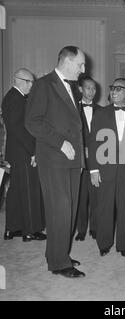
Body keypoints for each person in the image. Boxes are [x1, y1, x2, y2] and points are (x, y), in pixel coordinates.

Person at [25, 46, 86, 278]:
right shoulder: (44, 84)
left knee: (69, 210)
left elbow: (76, 126)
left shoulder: (72, 88)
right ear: (67, 62)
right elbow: (33, 122)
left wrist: (80, 158)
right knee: (59, 210)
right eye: (80, 64)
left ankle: (61, 253)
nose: (83, 69)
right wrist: (60, 143)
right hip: (54, 158)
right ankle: (58, 264)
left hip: (72, 160)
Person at [89, 78, 125, 258]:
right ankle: (104, 244)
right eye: (112, 88)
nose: (114, 92)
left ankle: (123, 245)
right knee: (105, 207)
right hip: (105, 168)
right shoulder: (100, 114)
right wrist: (93, 169)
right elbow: (93, 143)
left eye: (119, 89)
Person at [2, 68, 46, 242]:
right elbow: (19, 129)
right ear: (19, 80)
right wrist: (33, 151)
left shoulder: (12, 97)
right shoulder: (17, 99)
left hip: (17, 152)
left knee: (15, 192)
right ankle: (30, 231)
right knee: (29, 190)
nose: (31, 85)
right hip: (23, 152)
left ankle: (12, 229)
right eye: (29, 82)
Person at [75, 75, 102, 241]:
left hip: (97, 160)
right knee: (81, 197)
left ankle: (96, 228)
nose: (91, 91)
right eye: (88, 88)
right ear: (80, 89)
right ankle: (82, 230)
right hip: (79, 160)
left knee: (97, 196)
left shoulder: (102, 110)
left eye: (94, 88)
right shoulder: (71, 109)